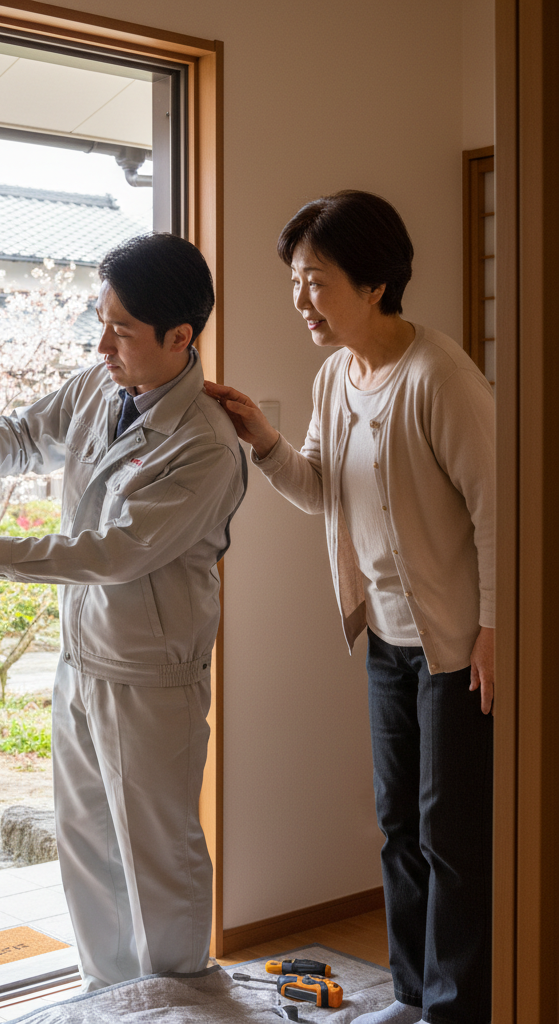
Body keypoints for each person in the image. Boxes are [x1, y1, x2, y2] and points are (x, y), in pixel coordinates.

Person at [0, 232, 248, 991]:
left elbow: (116, 550)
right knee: (88, 846)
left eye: (121, 329)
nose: (102, 345)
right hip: (82, 656)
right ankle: (112, 996)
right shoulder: (103, 384)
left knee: (158, 858)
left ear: (180, 337)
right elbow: (30, 431)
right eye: (101, 322)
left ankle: (177, 1002)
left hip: (151, 673)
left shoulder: (205, 443)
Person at [208, 190, 494, 1024]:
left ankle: (456, 1008)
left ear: (374, 284)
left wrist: (496, 629)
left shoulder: (440, 376)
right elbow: (321, 489)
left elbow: (503, 512)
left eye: (317, 281)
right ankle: (410, 993)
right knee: (397, 825)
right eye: (296, 281)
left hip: (456, 645)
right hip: (386, 639)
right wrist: (263, 440)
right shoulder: (336, 375)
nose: (302, 300)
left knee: (450, 835)